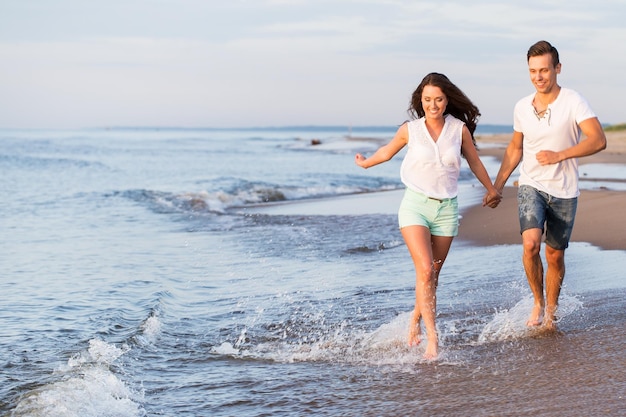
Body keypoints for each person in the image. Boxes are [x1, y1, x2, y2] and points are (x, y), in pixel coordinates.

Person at [355, 73, 501, 359]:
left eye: (438, 99)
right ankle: (433, 340)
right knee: (425, 269)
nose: (432, 105)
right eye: (427, 100)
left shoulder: (459, 130)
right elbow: (387, 152)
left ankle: (414, 320)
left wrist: (492, 189)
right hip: (415, 206)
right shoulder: (411, 129)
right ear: (419, 101)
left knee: (432, 276)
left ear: (447, 100)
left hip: (446, 209)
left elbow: (474, 161)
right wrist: (365, 164)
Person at [487, 40, 607, 330]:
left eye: (544, 70)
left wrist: (560, 155)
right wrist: (498, 185)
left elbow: (598, 139)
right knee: (530, 244)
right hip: (531, 183)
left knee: (554, 255)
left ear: (558, 69)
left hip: (564, 190)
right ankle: (538, 302)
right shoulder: (521, 107)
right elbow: (515, 148)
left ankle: (551, 313)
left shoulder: (573, 101)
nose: (538, 77)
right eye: (532, 71)